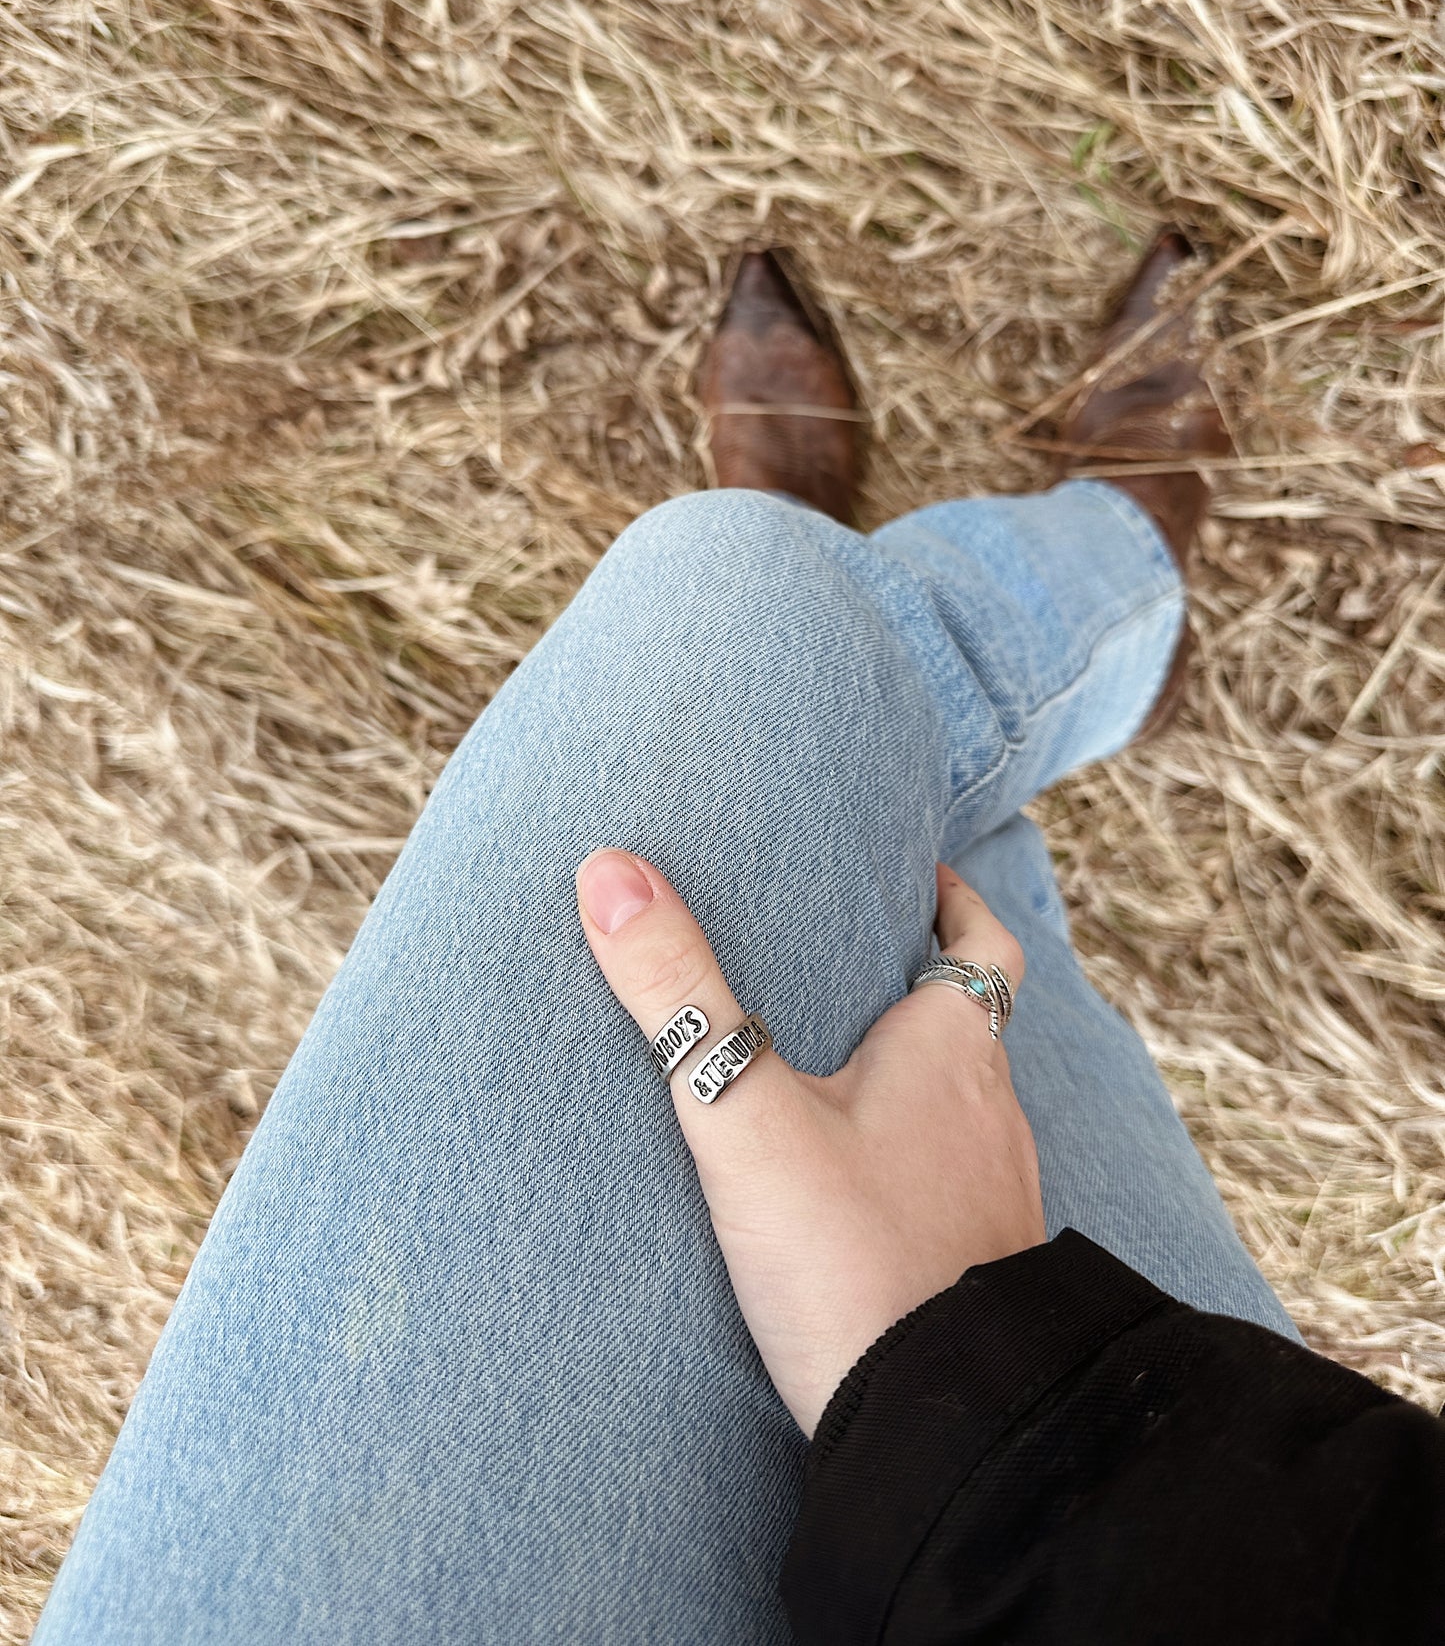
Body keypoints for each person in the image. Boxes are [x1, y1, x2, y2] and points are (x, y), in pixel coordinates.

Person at [33, 240, 1444, 1644]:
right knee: (777, 655)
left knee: (749, 619)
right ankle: (1056, 601)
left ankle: (922, 631)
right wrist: (999, 1386)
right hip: (1212, 1522)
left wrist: (975, 1386)